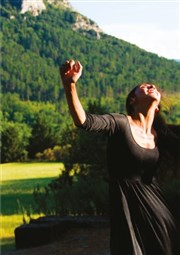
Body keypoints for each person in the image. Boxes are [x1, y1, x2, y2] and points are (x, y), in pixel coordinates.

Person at [59, 59, 180, 255]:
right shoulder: (120, 124)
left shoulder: (163, 135)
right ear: (132, 101)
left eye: (154, 87)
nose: (150, 86)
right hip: (127, 211)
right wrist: (70, 85)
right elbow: (84, 121)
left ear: (157, 107)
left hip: (159, 213)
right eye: (143, 87)